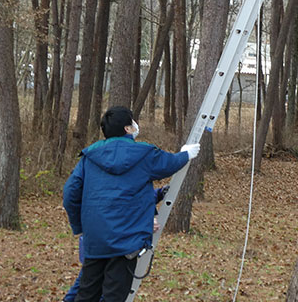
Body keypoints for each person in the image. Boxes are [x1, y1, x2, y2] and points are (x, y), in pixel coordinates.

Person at [63, 106, 200, 302]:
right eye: (133, 122)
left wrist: (80, 226)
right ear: (128, 129)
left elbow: (70, 194)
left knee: (86, 293)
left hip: (96, 239)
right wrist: (186, 154)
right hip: (126, 241)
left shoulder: (89, 157)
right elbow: (169, 163)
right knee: (114, 295)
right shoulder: (144, 153)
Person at [63, 186, 169, 302]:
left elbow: (137, 197)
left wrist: (159, 193)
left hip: (101, 242)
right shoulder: (107, 189)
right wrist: (144, 224)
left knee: (88, 281)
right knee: (99, 284)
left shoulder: (106, 181)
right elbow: (124, 209)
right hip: (109, 244)